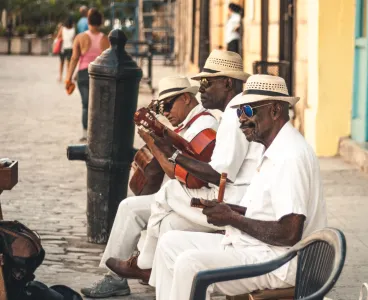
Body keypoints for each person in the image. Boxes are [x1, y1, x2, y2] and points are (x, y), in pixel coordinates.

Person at [150, 74, 327, 300]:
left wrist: (232, 219)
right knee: (169, 243)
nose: (242, 119)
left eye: (249, 111)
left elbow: (289, 233)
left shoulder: (289, 156)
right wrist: (230, 211)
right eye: (239, 112)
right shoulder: (272, 148)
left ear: (275, 111)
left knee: (190, 264)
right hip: (257, 247)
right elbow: (268, 212)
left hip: (280, 261)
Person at [104, 50, 264, 286]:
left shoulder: (232, 117)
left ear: (227, 83)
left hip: (232, 201)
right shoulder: (233, 114)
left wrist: (172, 152)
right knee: (168, 225)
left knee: (168, 193)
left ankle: (144, 264)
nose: (201, 90)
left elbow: (218, 174)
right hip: (234, 196)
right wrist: (166, 140)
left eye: (207, 83)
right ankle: (150, 273)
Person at [80, 76, 219, 298]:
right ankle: (121, 275)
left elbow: (181, 173)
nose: (165, 113)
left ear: (185, 98)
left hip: (195, 196)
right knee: (130, 207)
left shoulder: (204, 125)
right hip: (183, 193)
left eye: (168, 106)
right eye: (161, 109)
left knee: (132, 208)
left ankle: (138, 269)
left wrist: (154, 143)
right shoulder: (189, 125)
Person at [65, 8, 110, 142]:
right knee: (100, 105)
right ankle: (99, 132)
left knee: (86, 104)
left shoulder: (80, 37)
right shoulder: (105, 39)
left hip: (84, 74)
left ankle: (85, 134)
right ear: (101, 22)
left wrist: (68, 77)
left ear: (88, 21)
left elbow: (74, 59)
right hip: (101, 74)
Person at [56, 17, 75, 82]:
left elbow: (58, 37)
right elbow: (73, 39)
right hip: (70, 48)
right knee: (68, 63)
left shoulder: (62, 29)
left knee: (61, 63)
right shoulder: (73, 30)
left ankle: (60, 76)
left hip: (63, 48)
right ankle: (68, 77)